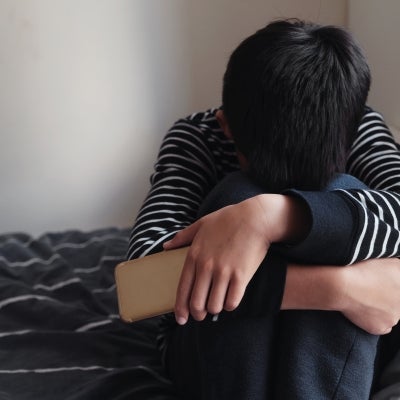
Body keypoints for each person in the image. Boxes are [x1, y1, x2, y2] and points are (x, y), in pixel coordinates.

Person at [127, 20, 400, 399]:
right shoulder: (198, 137)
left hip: (340, 357)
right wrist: (340, 289)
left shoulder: (354, 123)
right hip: (217, 356)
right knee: (237, 194)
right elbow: (140, 283)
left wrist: (271, 218)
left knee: (344, 192)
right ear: (226, 126)